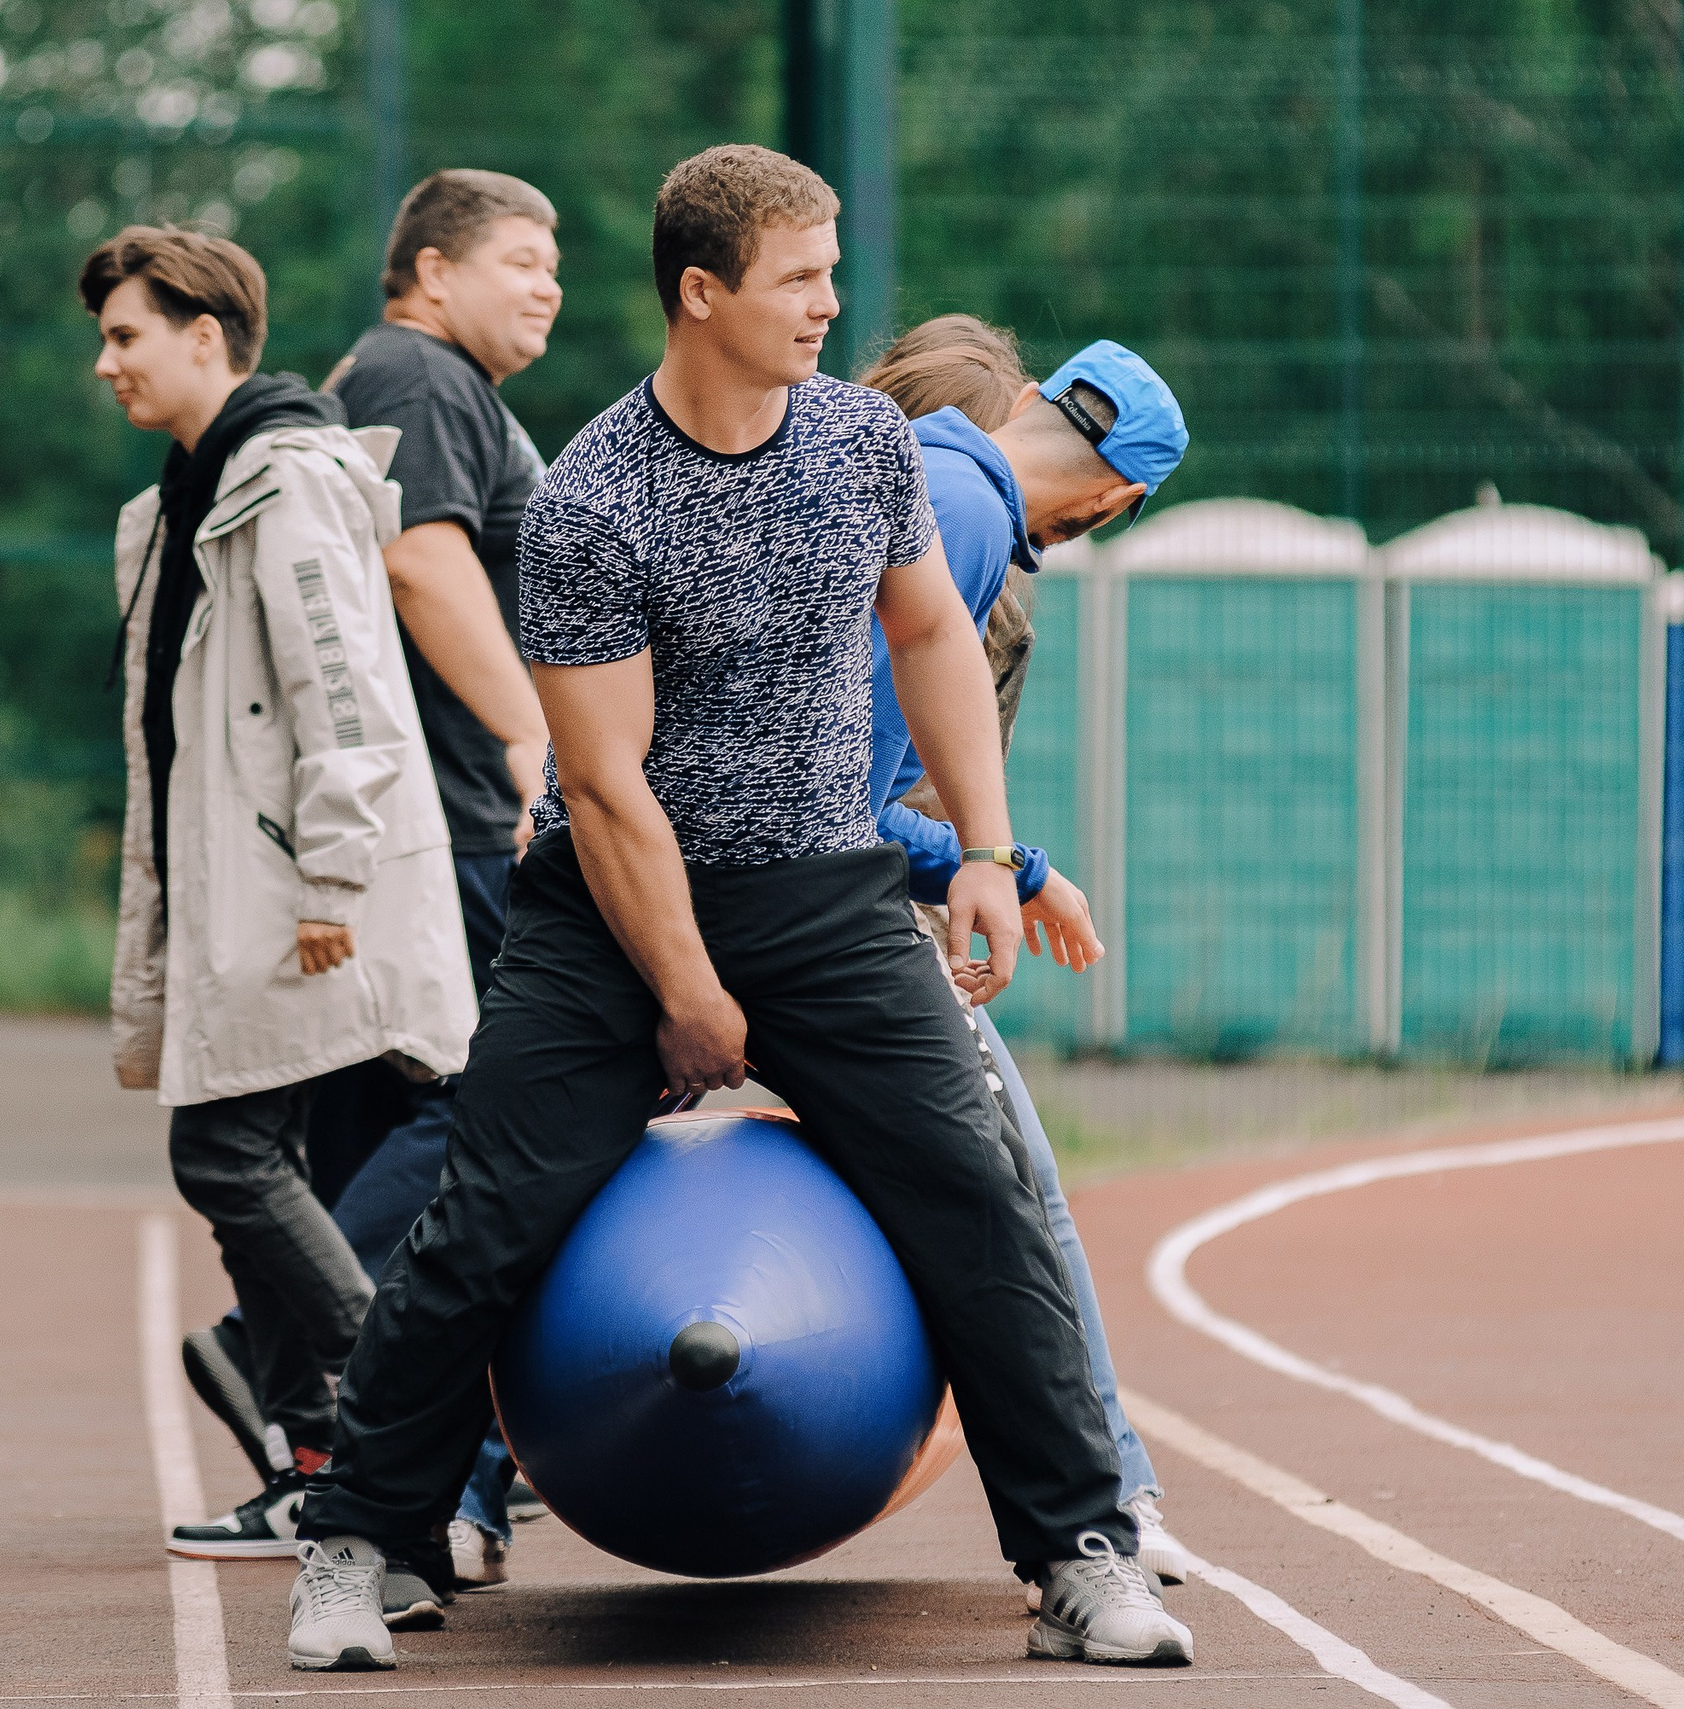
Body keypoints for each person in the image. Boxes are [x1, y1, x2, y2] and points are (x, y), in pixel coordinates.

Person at [284, 144, 1192, 1673]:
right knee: (484, 1221)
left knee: (977, 1197)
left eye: (833, 272)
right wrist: (688, 991)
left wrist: (985, 848)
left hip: (827, 895)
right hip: (611, 914)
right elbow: (612, 787)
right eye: (801, 279)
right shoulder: (590, 501)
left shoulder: (866, 446)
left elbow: (930, 636)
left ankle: (1082, 1550)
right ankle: (356, 1541)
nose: (833, 307)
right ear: (701, 293)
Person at [176, 170, 563, 1589]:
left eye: (559, 267)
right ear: (429, 267)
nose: (547, 287)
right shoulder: (418, 366)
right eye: (522, 259)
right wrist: (532, 733)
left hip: (398, 823)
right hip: (450, 821)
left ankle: (371, 1467)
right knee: (479, 1108)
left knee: (363, 1133)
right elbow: (417, 557)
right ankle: (295, 1358)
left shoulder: (391, 378)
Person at [79, 226, 477, 1565]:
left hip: (297, 892)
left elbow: (345, 691)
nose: (106, 361)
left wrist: (333, 874)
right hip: (228, 890)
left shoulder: (288, 479)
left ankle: (391, 1416)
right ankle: (314, 1463)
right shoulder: (180, 500)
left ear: (208, 336)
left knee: (224, 1151)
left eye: (127, 334)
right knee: (267, 1158)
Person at [856, 314, 1208, 1595]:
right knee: (1014, 1189)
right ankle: (1099, 1515)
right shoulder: (952, 509)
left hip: (683, 879)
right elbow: (839, 800)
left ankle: (428, 1503)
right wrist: (996, 869)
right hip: (793, 910)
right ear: (1113, 498)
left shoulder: (941, 485)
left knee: (516, 1180)